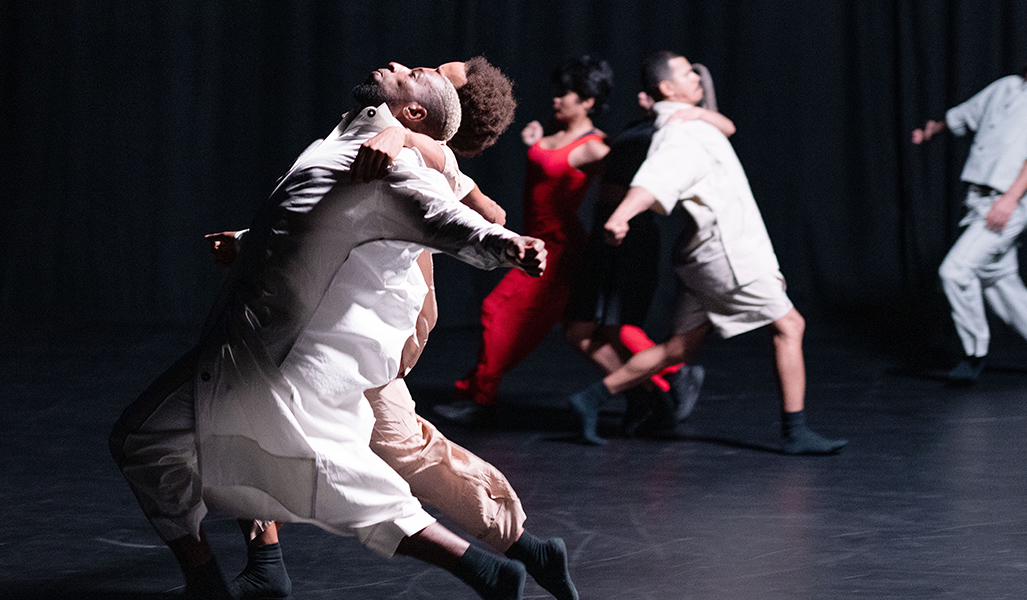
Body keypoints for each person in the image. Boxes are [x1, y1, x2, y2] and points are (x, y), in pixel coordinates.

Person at [110, 57, 546, 600]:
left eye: (430, 71)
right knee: (286, 453)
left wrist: (506, 245)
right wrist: (248, 241)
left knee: (363, 456)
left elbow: (463, 216)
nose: (407, 62)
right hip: (304, 329)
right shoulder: (356, 139)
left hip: (339, 338)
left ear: (420, 110)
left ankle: (511, 549)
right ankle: (254, 567)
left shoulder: (406, 159)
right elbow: (310, 219)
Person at [568, 51, 847, 456]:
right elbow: (657, 179)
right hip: (728, 256)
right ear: (667, 87)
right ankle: (795, 430)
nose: (697, 77)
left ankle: (591, 398)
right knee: (790, 326)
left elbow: (714, 131)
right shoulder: (682, 134)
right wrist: (623, 215)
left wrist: (701, 115)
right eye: (687, 74)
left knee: (680, 349)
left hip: (707, 255)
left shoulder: (687, 122)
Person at [562, 63, 732, 436]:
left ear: (668, 93)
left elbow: (726, 126)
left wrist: (701, 111)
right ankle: (647, 397)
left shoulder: (673, 128)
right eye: (642, 92)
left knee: (619, 330)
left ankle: (670, 378)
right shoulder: (636, 128)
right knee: (581, 331)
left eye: (650, 92)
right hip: (605, 232)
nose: (641, 96)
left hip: (632, 235)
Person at [442, 56, 614, 424]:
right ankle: (661, 382)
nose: (557, 99)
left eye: (566, 94)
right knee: (577, 332)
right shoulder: (554, 132)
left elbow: (627, 171)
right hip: (538, 241)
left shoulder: (596, 146)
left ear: (588, 101)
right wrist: (534, 141)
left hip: (559, 249)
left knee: (496, 310)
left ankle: (481, 397)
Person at [912, 38, 1027, 385]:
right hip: (978, 199)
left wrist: (1009, 200)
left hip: (1010, 202)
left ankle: (974, 352)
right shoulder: (1007, 87)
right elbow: (964, 116)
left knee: (955, 271)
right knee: (999, 282)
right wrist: (933, 130)